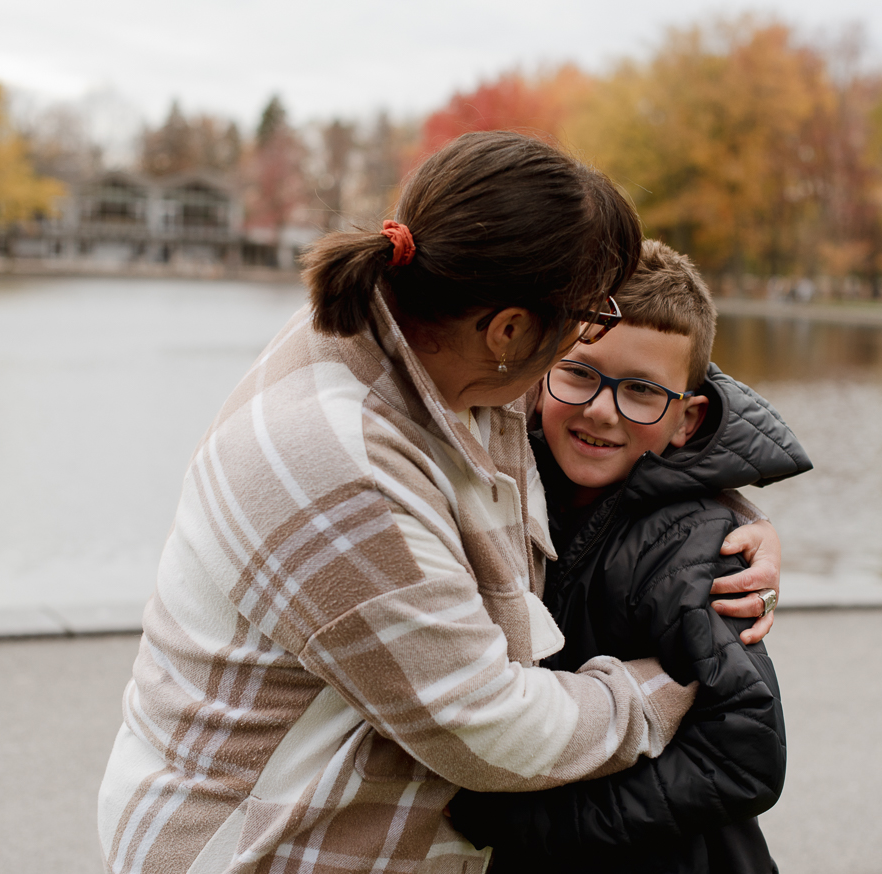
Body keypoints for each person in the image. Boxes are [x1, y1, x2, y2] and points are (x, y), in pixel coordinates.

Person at [97, 132, 783, 874]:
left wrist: (723, 515)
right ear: (510, 331)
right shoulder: (342, 465)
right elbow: (491, 730)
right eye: (585, 315)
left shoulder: (428, 341)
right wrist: (664, 685)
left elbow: (638, 404)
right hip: (265, 848)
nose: (590, 335)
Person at [449, 241, 813, 873]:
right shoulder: (509, 469)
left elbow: (743, 757)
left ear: (688, 420)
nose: (600, 410)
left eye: (641, 392)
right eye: (579, 373)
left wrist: (531, 828)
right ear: (540, 368)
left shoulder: (697, 549)